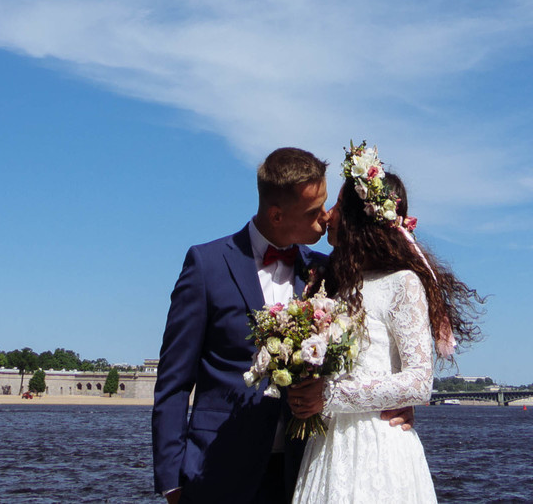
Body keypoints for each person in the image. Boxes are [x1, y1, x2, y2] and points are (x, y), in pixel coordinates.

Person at [287, 147, 481, 504]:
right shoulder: (331, 284)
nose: (328, 216)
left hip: (379, 447)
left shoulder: (402, 284)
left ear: (358, 219)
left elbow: (420, 382)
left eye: (338, 208)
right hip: (328, 447)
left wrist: (327, 395)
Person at [154, 147, 338, 504]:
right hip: (218, 470)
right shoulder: (205, 265)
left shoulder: (325, 271)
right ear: (276, 215)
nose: (326, 218)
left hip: (304, 474)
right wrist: (171, 481)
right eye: (314, 211)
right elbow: (174, 382)